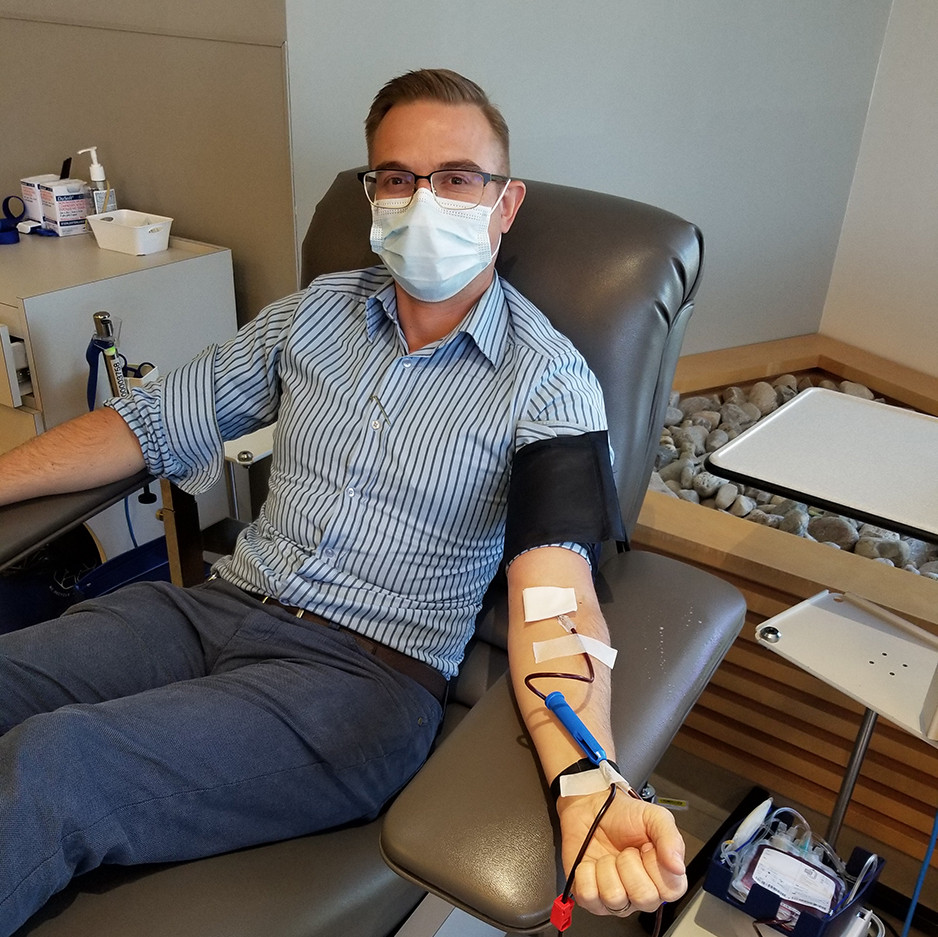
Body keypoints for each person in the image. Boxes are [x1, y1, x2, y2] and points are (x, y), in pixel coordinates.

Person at [0, 68, 687, 933]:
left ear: (504, 205)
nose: (424, 199)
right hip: (215, 609)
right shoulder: (315, 315)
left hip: (359, 683)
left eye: (457, 178)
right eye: (398, 177)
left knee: (58, 765)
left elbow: (557, 596)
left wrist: (588, 779)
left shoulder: (549, 384)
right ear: (373, 195)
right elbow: (147, 422)